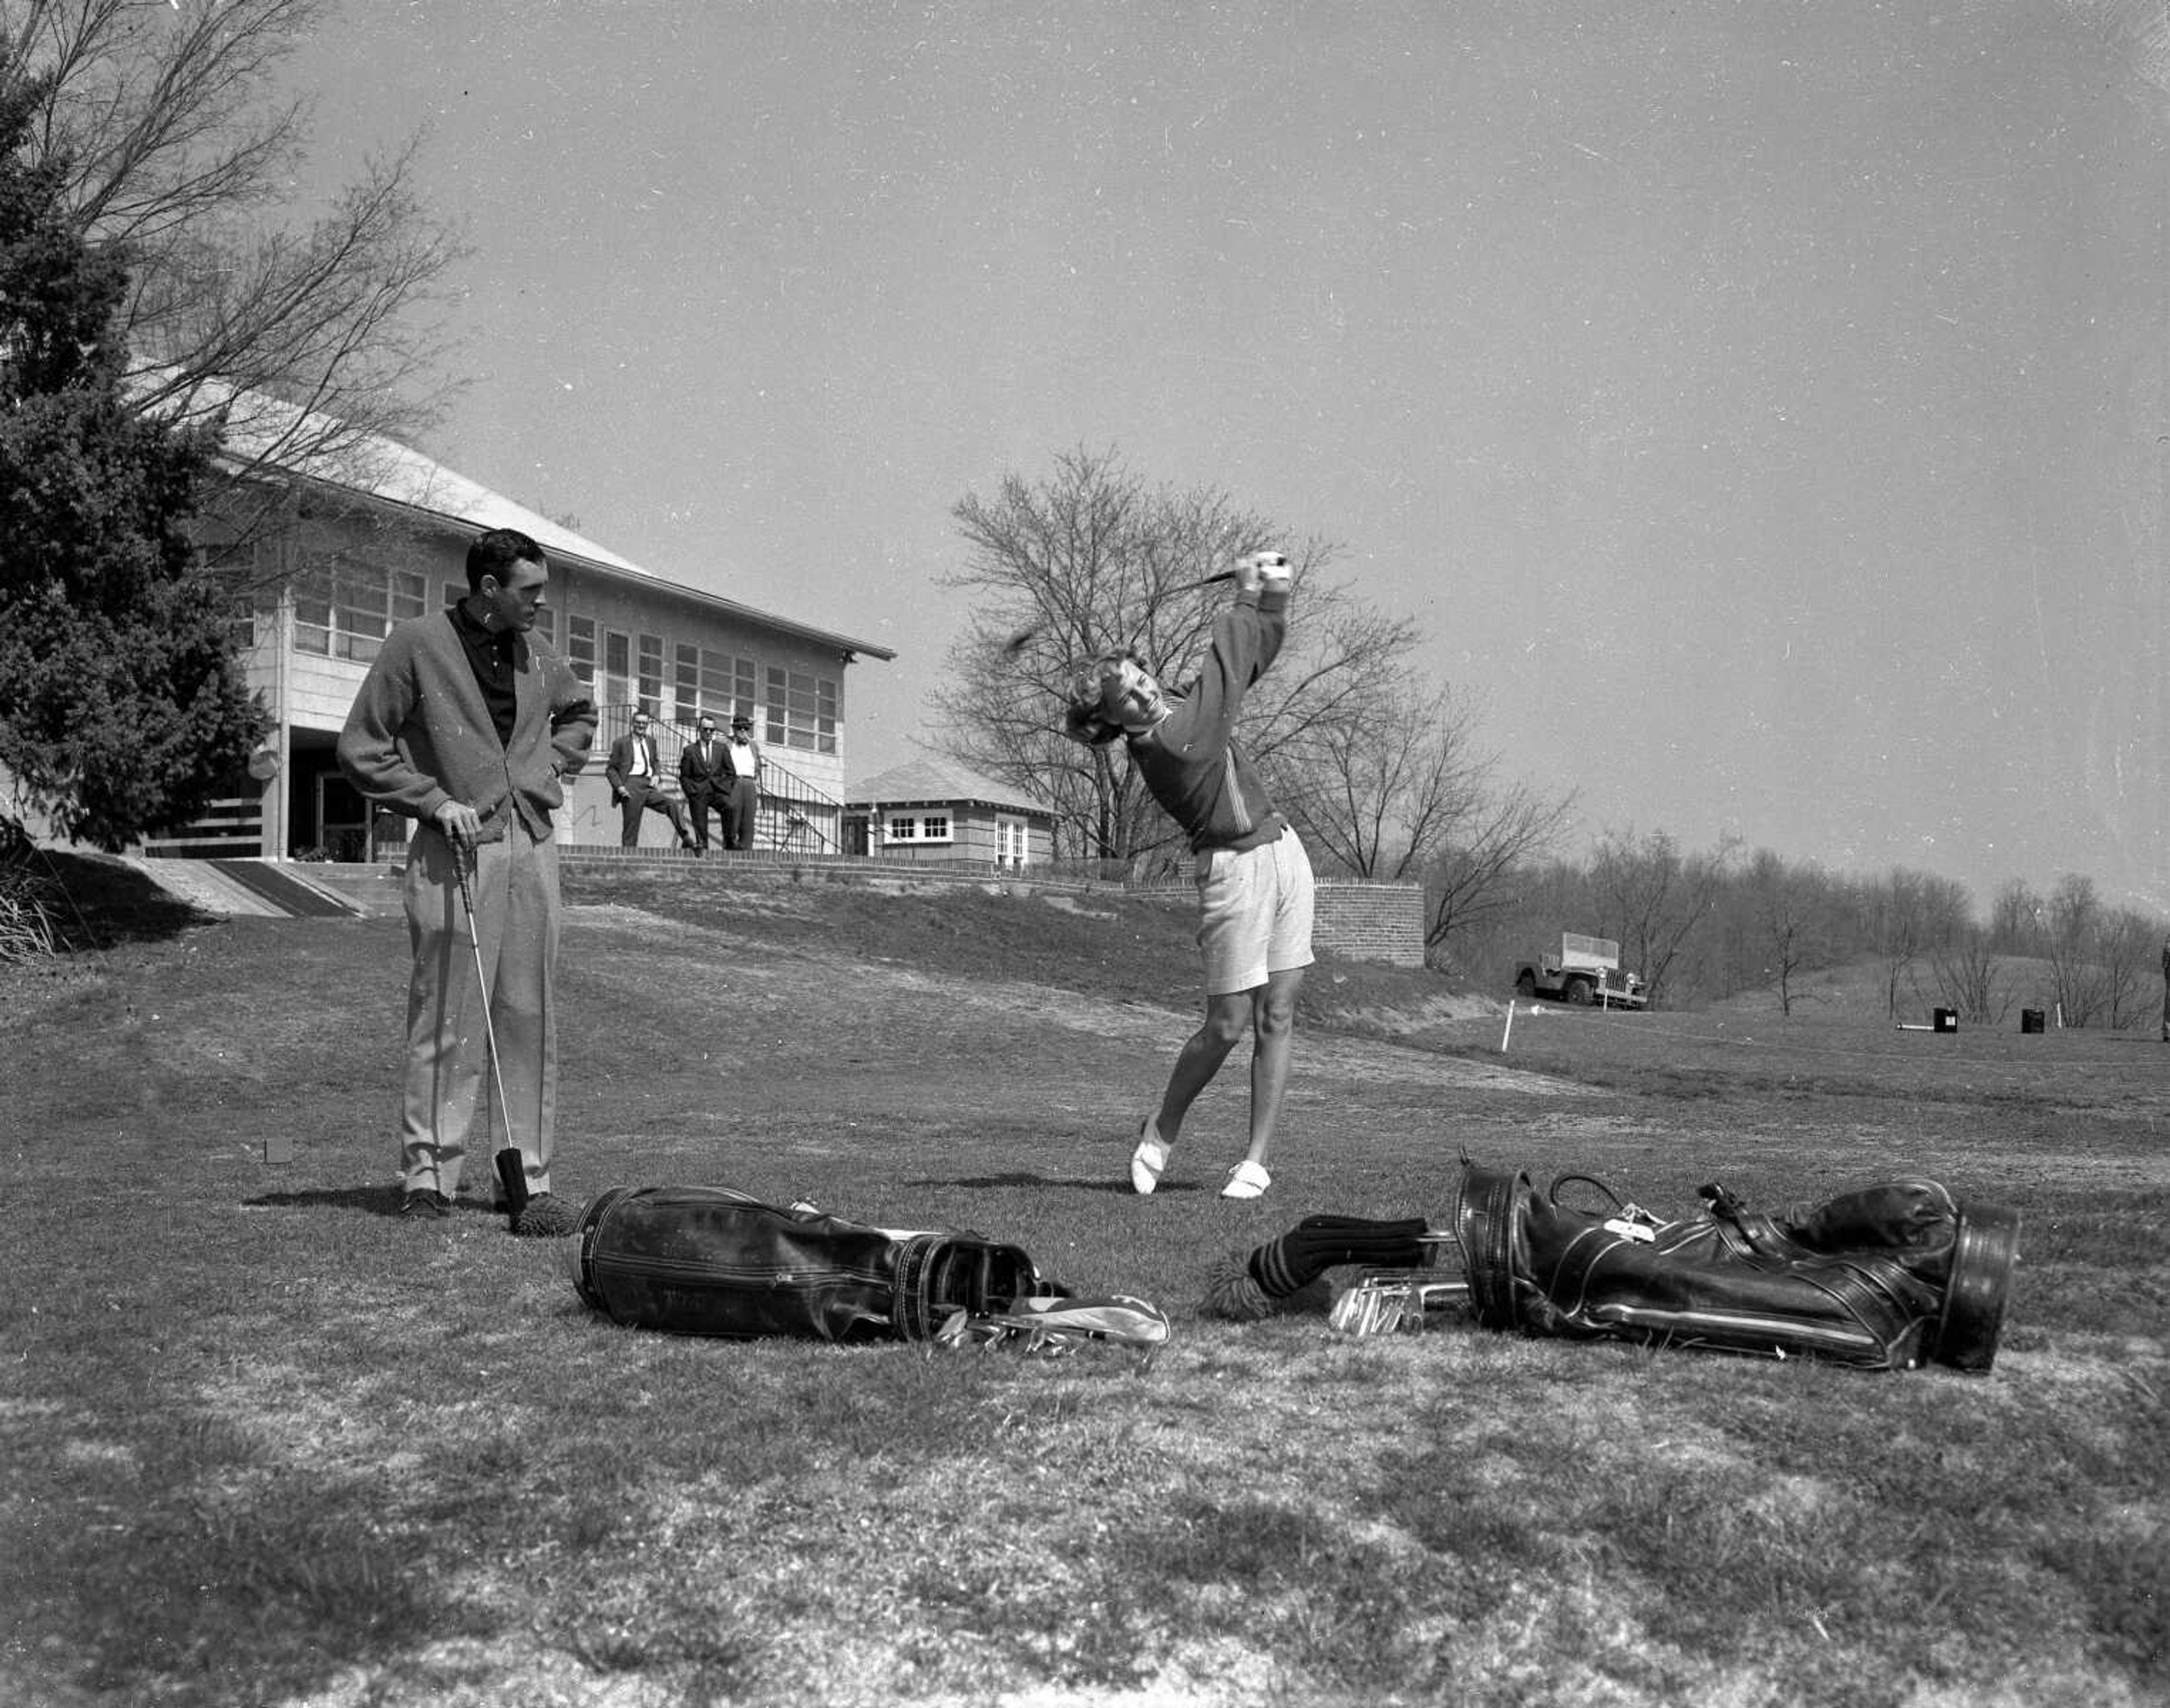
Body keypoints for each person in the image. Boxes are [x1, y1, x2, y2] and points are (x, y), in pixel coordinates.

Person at [336, 527, 597, 1233]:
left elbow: (580, 714)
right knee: (446, 1015)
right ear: (489, 589)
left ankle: (529, 1181)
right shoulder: (415, 643)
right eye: (529, 590)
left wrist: (548, 771)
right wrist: (431, 798)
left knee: (528, 1013)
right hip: (454, 849)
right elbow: (361, 747)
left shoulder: (539, 655)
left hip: (532, 848)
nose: (541, 602)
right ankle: (429, 1178)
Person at [1062, 550, 1314, 1200]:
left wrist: (1273, 600)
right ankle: (1161, 1127)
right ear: (1113, 721)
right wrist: (1243, 596)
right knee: (1227, 1024)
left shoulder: (1181, 711)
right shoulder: (1172, 746)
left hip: (1284, 853)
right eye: (1127, 693)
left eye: (1140, 675)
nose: (1144, 688)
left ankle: (1256, 1159)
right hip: (1233, 870)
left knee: (1277, 1014)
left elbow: (1251, 657)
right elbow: (1229, 667)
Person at [605, 709, 697, 849]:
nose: (641, 726)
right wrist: (620, 787)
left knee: (671, 804)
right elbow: (611, 769)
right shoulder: (621, 743)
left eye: (644, 723)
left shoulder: (651, 742)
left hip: (648, 785)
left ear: (647, 725)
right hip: (631, 785)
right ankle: (628, 861)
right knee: (632, 827)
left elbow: (656, 762)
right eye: (638, 723)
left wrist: (656, 775)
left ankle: (685, 837)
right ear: (632, 723)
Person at [678, 713, 731, 853]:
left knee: (730, 806)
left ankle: (730, 842)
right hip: (698, 792)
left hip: (717, 791)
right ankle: (703, 849)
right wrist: (691, 793)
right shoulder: (690, 750)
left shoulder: (722, 748)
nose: (709, 732)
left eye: (712, 730)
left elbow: (732, 774)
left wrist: (725, 788)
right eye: (705, 729)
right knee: (700, 824)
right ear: (699, 730)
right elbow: (684, 776)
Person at [721, 713, 763, 851]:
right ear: (734, 729)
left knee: (748, 822)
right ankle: (729, 849)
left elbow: (758, 766)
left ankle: (746, 851)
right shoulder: (726, 743)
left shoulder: (753, 746)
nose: (743, 731)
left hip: (750, 783)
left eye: (746, 728)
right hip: (734, 783)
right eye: (740, 728)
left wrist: (755, 778)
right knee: (733, 819)